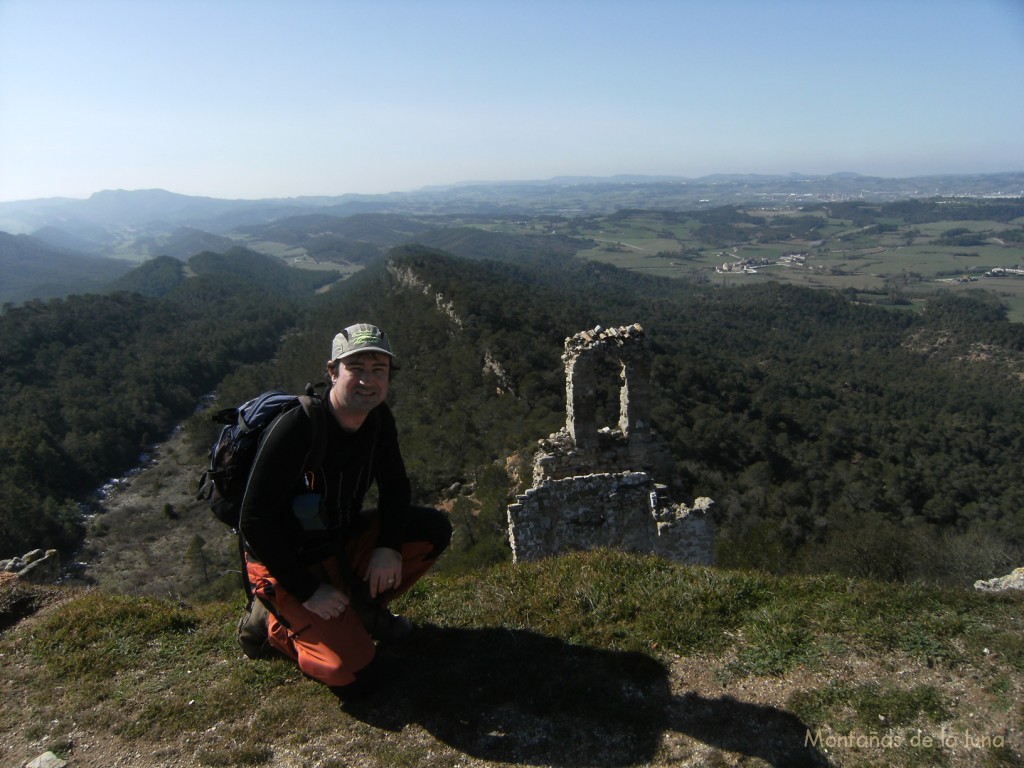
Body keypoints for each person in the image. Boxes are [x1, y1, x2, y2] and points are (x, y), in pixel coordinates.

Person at [239, 323, 452, 698]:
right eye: (356, 368)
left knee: (431, 530)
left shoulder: (378, 419)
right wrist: (307, 591)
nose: (368, 380)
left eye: (379, 370)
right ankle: (273, 626)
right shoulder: (297, 429)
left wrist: (387, 546)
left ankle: (361, 610)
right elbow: (252, 521)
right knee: (353, 675)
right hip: (287, 561)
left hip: (338, 542)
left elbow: (395, 487)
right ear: (332, 371)